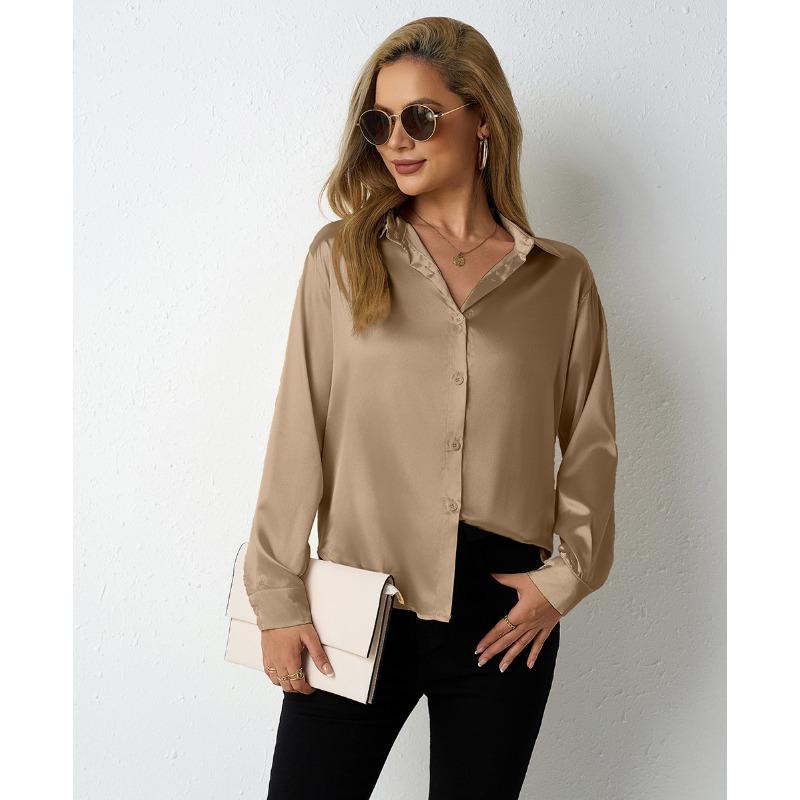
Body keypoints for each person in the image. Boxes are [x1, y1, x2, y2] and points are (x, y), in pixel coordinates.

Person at [243, 16, 618, 800]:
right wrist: (276, 597)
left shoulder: (560, 279)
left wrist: (567, 577)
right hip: (356, 601)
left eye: (419, 117)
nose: (397, 141)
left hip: (501, 614)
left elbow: (591, 442)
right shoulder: (341, 258)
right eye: (379, 123)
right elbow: (298, 429)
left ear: (482, 118)